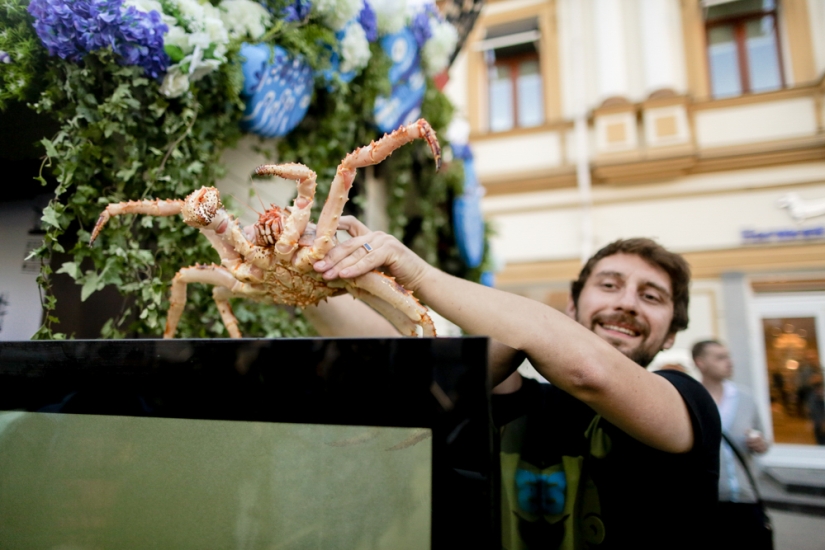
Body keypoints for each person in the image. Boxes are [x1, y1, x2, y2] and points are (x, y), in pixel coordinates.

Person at [307, 220, 721, 549]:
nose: (627, 302)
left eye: (651, 297)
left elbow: (589, 371)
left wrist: (418, 273)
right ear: (573, 307)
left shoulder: (688, 405)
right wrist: (318, 271)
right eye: (609, 285)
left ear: (670, 335)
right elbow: (404, 357)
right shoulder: (532, 404)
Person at [692, 340, 770, 548]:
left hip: (746, 499)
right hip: (706, 503)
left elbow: (763, 439)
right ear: (700, 363)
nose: (729, 362)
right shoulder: (690, 400)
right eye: (720, 357)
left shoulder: (745, 398)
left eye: (728, 356)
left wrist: (760, 444)